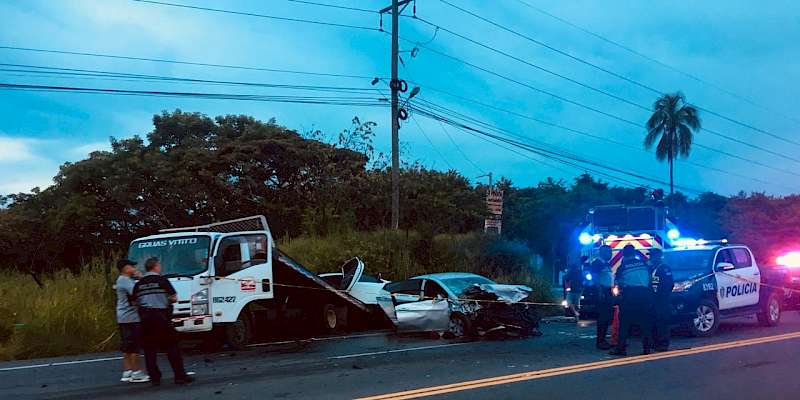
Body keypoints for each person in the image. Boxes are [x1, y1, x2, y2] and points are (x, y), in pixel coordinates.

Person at [133, 257, 193, 386]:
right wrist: (165, 301)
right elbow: (174, 297)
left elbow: (134, 302)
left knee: (150, 350)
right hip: (161, 317)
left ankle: (154, 378)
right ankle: (179, 376)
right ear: (156, 266)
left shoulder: (139, 284)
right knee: (172, 347)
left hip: (145, 320)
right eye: (159, 265)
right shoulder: (162, 280)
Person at [609, 245, 654, 356]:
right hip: (645, 295)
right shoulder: (644, 264)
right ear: (634, 253)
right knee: (645, 323)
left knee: (624, 323)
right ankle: (646, 348)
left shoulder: (623, 267)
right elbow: (650, 279)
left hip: (630, 295)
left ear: (624, 254)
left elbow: (618, 282)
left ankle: (621, 349)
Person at [115, 259, 149, 383]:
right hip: (131, 317)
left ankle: (127, 371)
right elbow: (137, 293)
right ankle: (136, 372)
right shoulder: (126, 281)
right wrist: (141, 278)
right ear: (125, 268)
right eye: (132, 266)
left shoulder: (121, 280)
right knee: (135, 345)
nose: (134, 268)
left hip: (123, 316)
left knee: (127, 345)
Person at [588, 245, 614, 350]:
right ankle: (600, 341)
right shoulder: (597, 263)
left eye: (611, 251)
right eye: (608, 252)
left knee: (607, 317)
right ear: (602, 252)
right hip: (602, 291)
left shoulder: (606, 264)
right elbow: (595, 278)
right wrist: (600, 291)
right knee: (603, 317)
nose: (610, 254)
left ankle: (604, 340)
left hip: (608, 291)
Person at [649, 248, 674, 352]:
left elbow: (669, 285)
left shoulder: (664, 268)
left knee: (663, 322)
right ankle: (655, 343)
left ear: (658, 256)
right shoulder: (649, 268)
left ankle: (663, 343)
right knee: (654, 322)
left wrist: (662, 295)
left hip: (662, 300)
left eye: (652, 255)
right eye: (650, 255)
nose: (650, 257)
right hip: (652, 300)